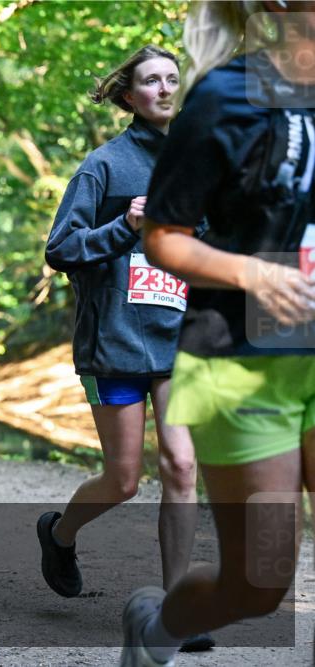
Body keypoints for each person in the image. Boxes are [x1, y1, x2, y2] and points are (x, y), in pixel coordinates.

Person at [115, 3, 314, 666]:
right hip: (244, 356)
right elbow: (163, 235)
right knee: (258, 582)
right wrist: (253, 272)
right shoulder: (229, 96)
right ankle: (155, 630)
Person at [39, 46, 211, 653]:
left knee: (183, 467)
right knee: (123, 480)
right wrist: (125, 226)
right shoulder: (104, 167)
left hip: (179, 341)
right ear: (128, 95)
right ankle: (59, 534)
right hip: (115, 341)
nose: (164, 89)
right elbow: (60, 250)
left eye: (172, 79)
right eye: (150, 81)